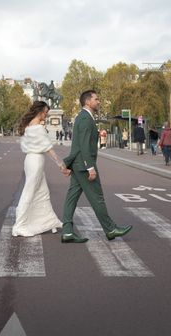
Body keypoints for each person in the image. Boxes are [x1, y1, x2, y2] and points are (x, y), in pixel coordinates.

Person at [62, 90, 132, 243]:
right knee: (97, 198)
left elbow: (78, 144)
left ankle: (67, 231)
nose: (99, 102)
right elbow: (84, 146)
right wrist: (90, 167)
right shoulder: (86, 119)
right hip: (84, 166)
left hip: (78, 165)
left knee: (71, 198)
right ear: (87, 102)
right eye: (96, 99)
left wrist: (69, 163)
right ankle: (110, 229)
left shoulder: (82, 117)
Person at [13, 101, 68, 237]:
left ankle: (50, 221)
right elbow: (49, 149)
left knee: (43, 192)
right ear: (40, 112)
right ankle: (19, 226)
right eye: (45, 112)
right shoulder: (37, 127)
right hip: (35, 161)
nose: (46, 115)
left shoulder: (29, 125)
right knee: (29, 192)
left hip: (30, 160)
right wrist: (61, 165)